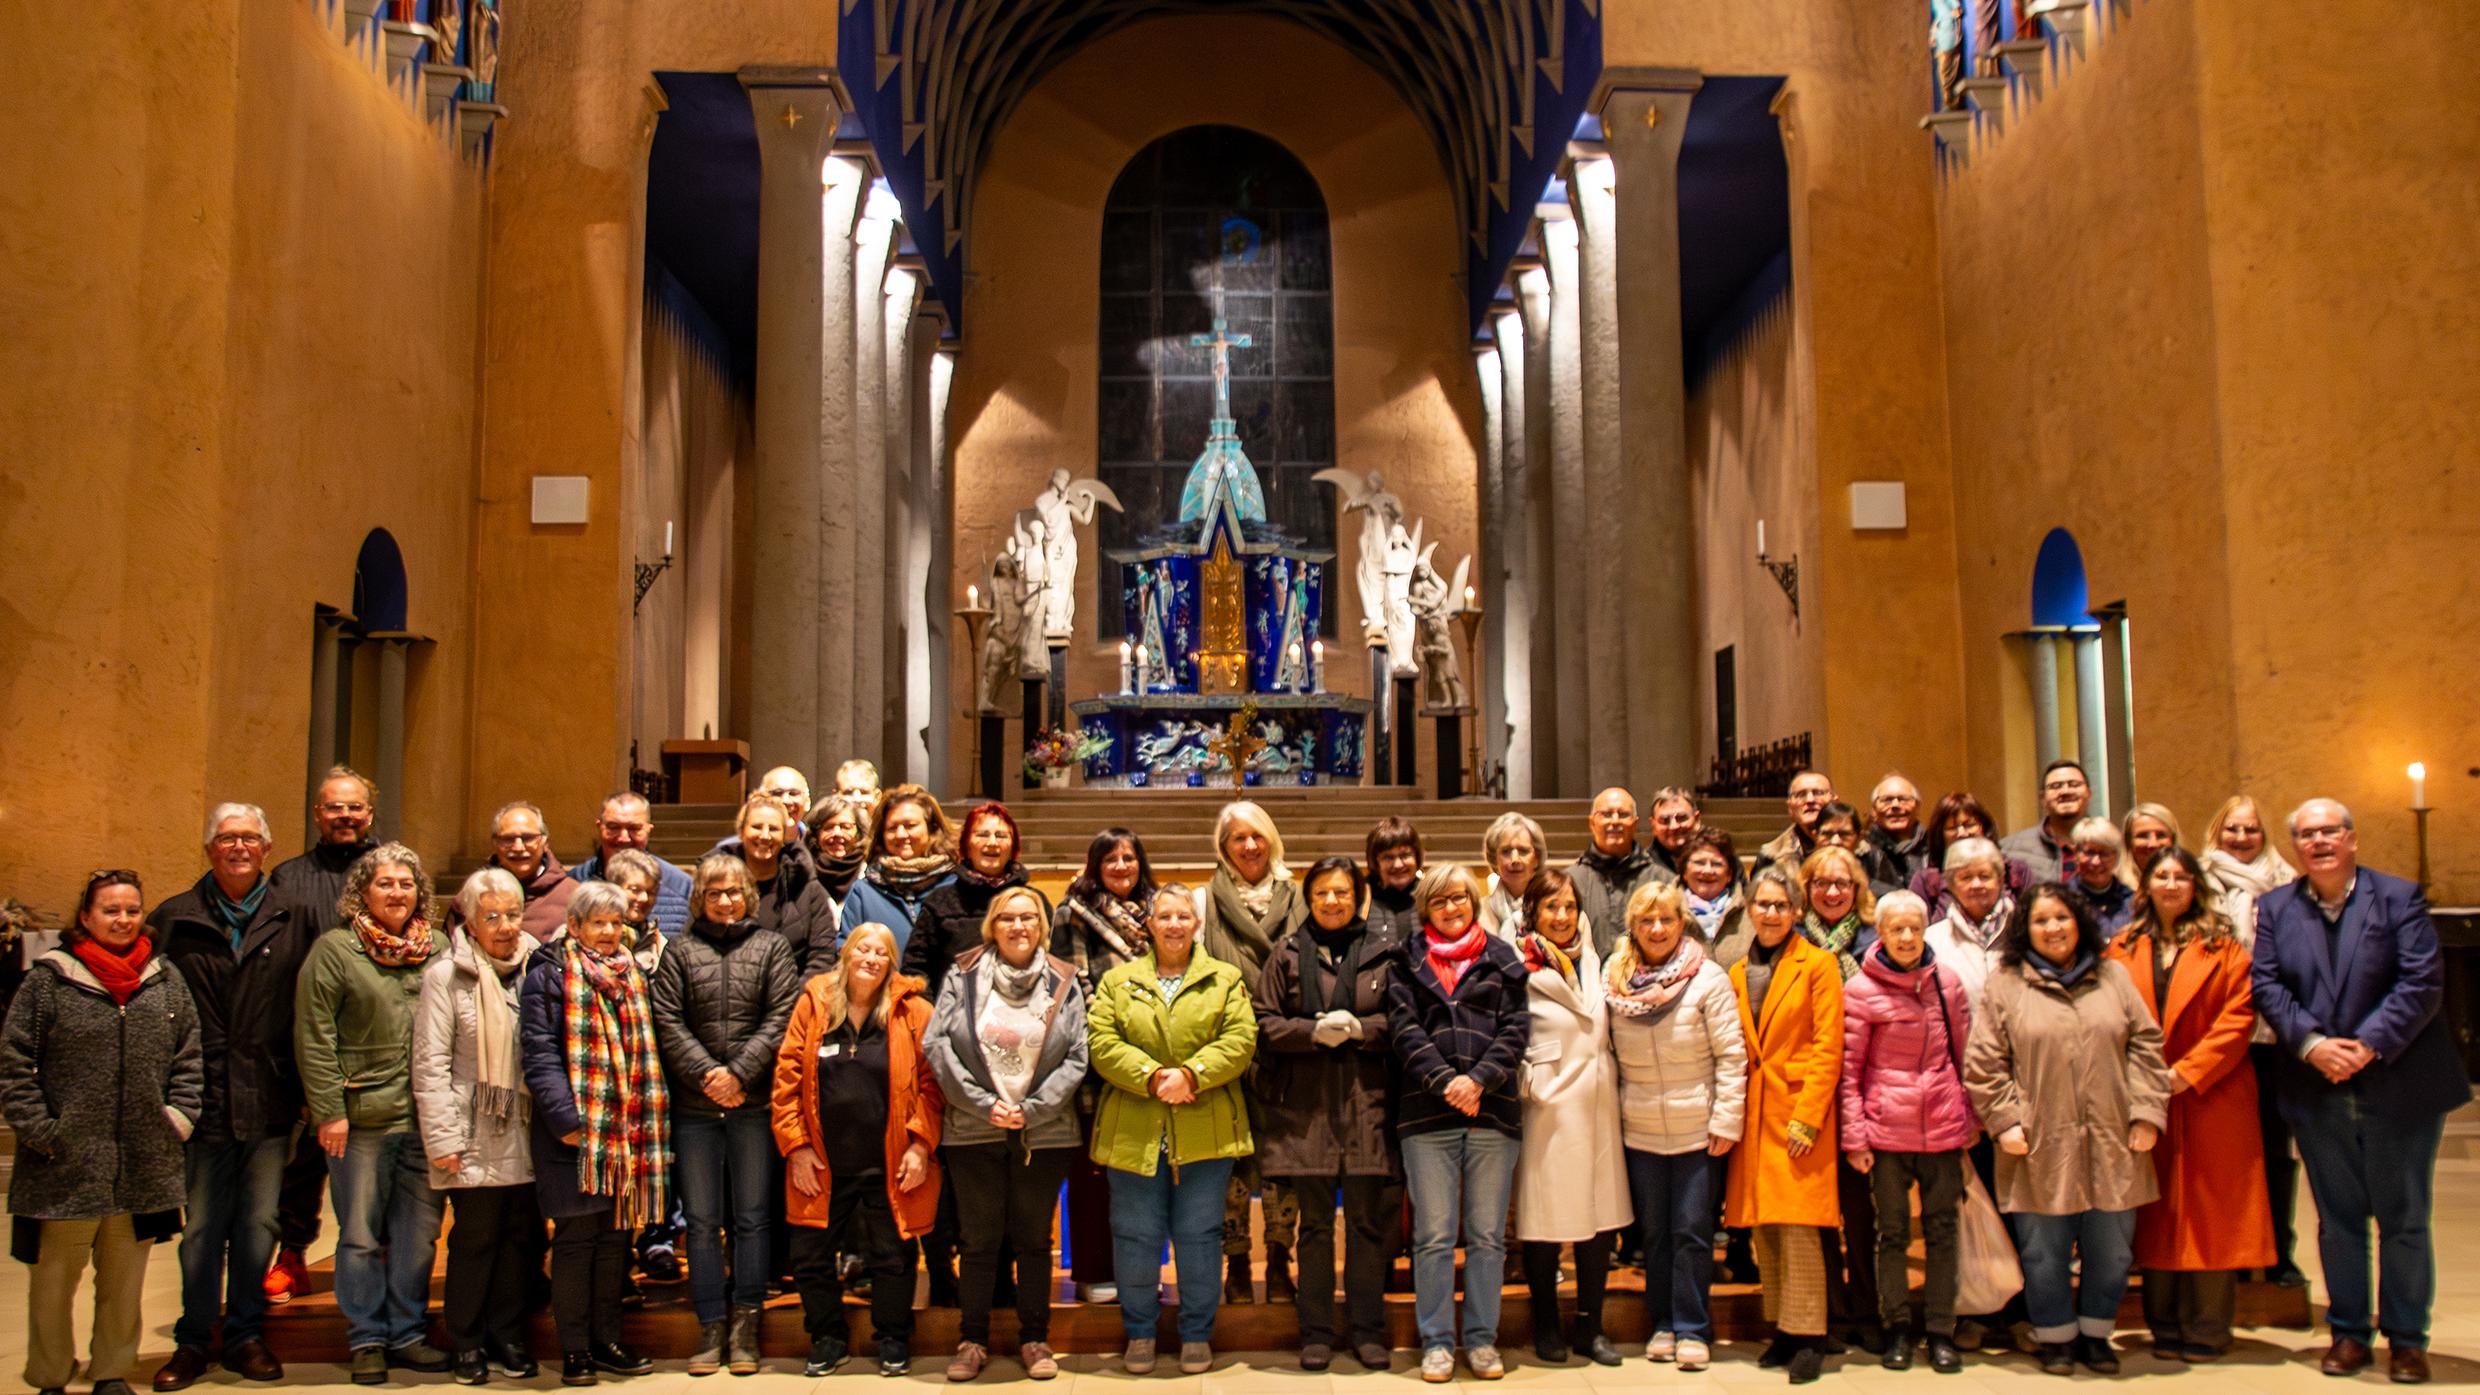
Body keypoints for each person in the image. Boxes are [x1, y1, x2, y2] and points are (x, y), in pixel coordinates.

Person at [2250, 799, 2469, 1384]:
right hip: (2315, 1084)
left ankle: (2406, 1339)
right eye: (2307, 834)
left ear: (2351, 839)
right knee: (2337, 1218)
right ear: (2295, 846)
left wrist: (2366, 1045)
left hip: (2399, 1082)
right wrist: (2314, 1044)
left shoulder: (2397, 897)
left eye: (2330, 831)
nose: (2319, 841)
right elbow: (2267, 985)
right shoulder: (2275, 907)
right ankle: (2348, 1333)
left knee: (2403, 1218)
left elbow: (2421, 981)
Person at [4, 870, 203, 1395]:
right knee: (52, 1286)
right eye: (111, 910)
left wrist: (178, 1117)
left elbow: (189, 1055)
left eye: (132, 910)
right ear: (86, 917)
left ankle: (111, 1371)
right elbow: (14, 1059)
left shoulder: (164, 979)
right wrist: (41, 1129)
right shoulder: (49, 980)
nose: (123, 920)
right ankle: (49, 1375)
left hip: (141, 1163)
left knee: (123, 1285)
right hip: (62, 1166)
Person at [1963, 884, 2170, 1376]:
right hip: (2039, 1139)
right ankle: (2055, 1334)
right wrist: (2005, 1121)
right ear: (2024, 931)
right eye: (2040, 920)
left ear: (2079, 922)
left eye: (2061, 918)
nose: (2052, 928)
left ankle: (2097, 1333)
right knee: (2043, 1250)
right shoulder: (2005, 984)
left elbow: (2146, 1046)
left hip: (2114, 1137)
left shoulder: (2114, 977)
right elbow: (1984, 1063)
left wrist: (2146, 1113)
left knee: (2112, 1249)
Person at [148, 804, 310, 1389]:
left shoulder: (295, 917)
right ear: (209, 849)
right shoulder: (174, 918)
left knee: (258, 1224)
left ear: (266, 848)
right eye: (225, 838)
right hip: (200, 1097)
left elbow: (310, 1011)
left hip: (269, 1094)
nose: (238, 847)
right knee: (201, 1228)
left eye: (248, 837)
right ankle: (193, 1339)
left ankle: (244, 1334)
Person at [2101, 848, 2271, 1363]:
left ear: (2196, 885)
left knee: (2209, 1211)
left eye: (2181, 876)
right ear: (2146, 886)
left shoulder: (2225, 949)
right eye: (2161, 876)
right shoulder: (2122, 946)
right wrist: (2147, 1079)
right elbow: (2109, 1016)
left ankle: (2208, 1326)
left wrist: (2185, 1074)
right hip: (2143, 1096)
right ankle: (2165, 1324)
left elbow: (2238, 1020)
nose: (2171, 884)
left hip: (2211, 1095)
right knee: (2156, 1209)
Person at [293, 843, 452, 1383]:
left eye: (406, 884)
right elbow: (315, 1036)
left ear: (419, 893)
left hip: (425, 1118)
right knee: (359, 1232)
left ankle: (406, 1331)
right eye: (384, 883)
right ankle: (366, 1337)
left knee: (419, 1232)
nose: (396, 892)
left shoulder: (439, 947)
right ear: (362, 891)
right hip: (360, 1119)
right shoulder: (335, 951)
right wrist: (329, 1111)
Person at [1088, 883, 1260, 1377]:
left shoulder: (1225, 979)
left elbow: (1240, 1038)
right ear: (1149, 924)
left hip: (1205, 1126)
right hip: (1134, 1130)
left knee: (1200, 1236)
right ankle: (1140, 1332)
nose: (1174, 925)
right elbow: (1101, 1042)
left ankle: (1196, 1334)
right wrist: (1151, 1077)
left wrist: (1190, 1075)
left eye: (1183, 916)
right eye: (1164, 916)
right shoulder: (1118, 981)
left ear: (1196, 923)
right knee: (1136, 1236)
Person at [923, 886, 1090, 1382]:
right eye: (1008, 918)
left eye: (1029, 919)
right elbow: (937, 1042)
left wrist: (1032, 1109)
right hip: (974, 1127)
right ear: (992, 925)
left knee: (1034, 1240)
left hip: (1046, 1131)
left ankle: (1035, 1339)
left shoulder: (1064, 977)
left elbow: (1079, 1053)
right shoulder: (963, 972)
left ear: (1042, 927)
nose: (1019, 927)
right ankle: (971, 1339)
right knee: (978, 1241)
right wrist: (984, 1104)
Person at [652, 853, 802, 1375]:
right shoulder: (680, 952)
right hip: (695, 1110)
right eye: (714, 892)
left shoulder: (771, 947)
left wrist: (738, 1074)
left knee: (754, 1219)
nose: (724, 900)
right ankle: (710, 1323)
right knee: (700, 1223)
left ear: (748, 896)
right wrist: (709, 1078)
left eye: (733, 891)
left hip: (754, 1106)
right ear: (699, 898)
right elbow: (666, 1020)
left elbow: (782, 1015)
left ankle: (746, 1323)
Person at [1252, 856, 1403, 1372]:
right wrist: (1309, 1033)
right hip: (1307, 1109)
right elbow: (1264, 1024)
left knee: (1365, 1226)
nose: (1332, 902)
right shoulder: (1288, 953)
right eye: (1321, 894)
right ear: (1308, 899)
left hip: (1367, 1106)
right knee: (1314, 1227)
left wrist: (1365, 1030)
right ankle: (1315, 1331)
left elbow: (1405, 1020)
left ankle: (1367, 1331)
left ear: (1358, 896)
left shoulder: (1386, 952)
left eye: (1342, 892)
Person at [772, 924, 943, 1379]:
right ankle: (827, 1337)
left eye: (882, 953)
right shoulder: (813, 1005)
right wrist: (797, 1148)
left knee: (893, 1255)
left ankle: (892, 1337)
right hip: (822, 1161)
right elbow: (786, 1080)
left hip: (890, 1159)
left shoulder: (914, 1012)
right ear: (845, 955)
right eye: (862, 949)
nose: (871, 958)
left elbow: (932, 1087)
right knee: (809, 1255)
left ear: (892, 963)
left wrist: (920, 1145)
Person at [520, 882, 667, 1387]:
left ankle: (608, 1341)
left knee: (614, 1242)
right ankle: (576, 1349)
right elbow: (539, 1056)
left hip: (624, 1132)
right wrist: (569, 1122)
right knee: (577, 1242)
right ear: (576, 926)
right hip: (574, 1137)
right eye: (597, 923)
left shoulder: (635, 974)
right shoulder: (549, 974)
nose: (607, 932)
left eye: (614, 922)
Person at [1389, 863, 1530, 1382]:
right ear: (1427, 907)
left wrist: (1479, 1082)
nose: (1453, 908)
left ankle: (1481, 1340)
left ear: (1474, 903)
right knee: (1432, 1235)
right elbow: (1403, 1029)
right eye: (1441, 900)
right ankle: (1437, 1342)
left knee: (1488, 1235)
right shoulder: (1406, 959)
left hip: (1491, 1112)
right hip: (1427, 1114)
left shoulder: (1501, 957)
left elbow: (1517, 1029)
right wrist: (1447, 1082)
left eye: (1461, 899)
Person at [1606, 876, 1745, 1374]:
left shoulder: (1707, 979)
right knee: (1654, 1236)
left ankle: (1692, 1327)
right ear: (1633, 927)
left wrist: (1727, 1119)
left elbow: (1732, 1056)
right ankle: (1661, 1322)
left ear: (1682, 922)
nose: (1657, 928)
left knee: (1692, 1231)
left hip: (1696, 1130)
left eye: (1666, 918)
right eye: (1647, 920)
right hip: (1639, 1129)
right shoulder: (1615, 979)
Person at [412, 868, 543, 1385]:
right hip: (471, 1130)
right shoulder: (447, 974)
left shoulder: (541, 964)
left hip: (529, 1127)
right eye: (492, 916)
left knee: (520, 1237)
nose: (506, 925)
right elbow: (430, 1064)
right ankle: (466, 1339)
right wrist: (443, 1138)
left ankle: (507, 1335)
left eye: (513, 914)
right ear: (469, 919)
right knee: (476, 1238)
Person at [1838, 890, 1972, 1374]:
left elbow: (1964, 1055)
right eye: (1897, 929)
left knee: (1943, 1233)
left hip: (1942, 1128)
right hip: (1885, 1133)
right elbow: (1849, 1072)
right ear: (1881, 931)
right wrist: (1855, 1138)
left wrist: (1969, 1120)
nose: (1908, 938)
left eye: (1915, 928)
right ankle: (1897, 1330)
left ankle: (1940, 1332)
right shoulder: (1861, 990)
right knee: (1891, 1235)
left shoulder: (1947, 983)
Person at [262, 765, 383, 1306]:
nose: (345, 816)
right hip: (307, 1038)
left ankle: (378, 1253)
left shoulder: (391, 869)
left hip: (377, 1040)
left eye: (354, 806)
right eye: (334, 807)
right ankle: (293, 1252)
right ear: (318, 815)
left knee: (379, 1158)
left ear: (370, 813)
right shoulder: (288, 878)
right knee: (304, 1157)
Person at [1725, 865, 1844, 1385]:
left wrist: (1808, 1118)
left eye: (1781, 905)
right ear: (1748, 910)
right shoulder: (1736, 969)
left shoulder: (1818, 964)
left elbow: (1828, 1046)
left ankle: (1811, 1336)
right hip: (1755, 1116)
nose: (1770, 914)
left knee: (1799, 1229)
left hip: (1797, 1114)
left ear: (1797, 911)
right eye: (1762, 905)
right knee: (1766, 1230)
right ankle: (1783, 1330)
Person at [1508, 868, 1629, 1367]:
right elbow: (1504, 1029)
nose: (1561, 917)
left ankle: (1591, 1325)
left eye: (1568, 906)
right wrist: (1529, 1080)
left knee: (1599, 1220)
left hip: (1598, 1102)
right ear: (1532, 912)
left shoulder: (1599, 958)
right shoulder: (1516, 961)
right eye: (1550, 907)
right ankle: (1546, 1324)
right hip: (1549, 1105)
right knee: (1546, 1219)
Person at [1193, 799, 1305, 1304]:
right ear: (1222, 847)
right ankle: (1236, 1264)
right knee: (1229, 1164)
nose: (1250, 845)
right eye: (1238, 837)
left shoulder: (1299, 897)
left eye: (1258, 835)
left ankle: (1281, 1260)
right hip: (1226, 1051)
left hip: (1286, 1051)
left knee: (1286, 1160)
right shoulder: (1203, 903)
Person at [2197, 793, 2306, 1288]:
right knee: (2227, 1151)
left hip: (2272, 1035)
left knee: (2275, 1148)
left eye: (2251, 829)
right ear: (2217, 833)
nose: (2241, 839)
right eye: (2233, 829)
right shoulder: (2199, 883)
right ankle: (2236, 1250)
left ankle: (2280, 1253)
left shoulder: (2289, 886)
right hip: (2218, 1034)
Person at [1049, 828, 1155, 1303]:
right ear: (1094, 865)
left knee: (1143, 1176)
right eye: (1109, 859)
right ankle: (1093, 1270)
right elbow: (1073, 986)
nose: (1120, 867)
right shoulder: (1073, 911)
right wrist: (1118, 1038)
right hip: (1098, 1061)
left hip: (1151, 1063)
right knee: (1094, 1176)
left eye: (1129, 858)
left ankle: (1142, 1270)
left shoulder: (1156, 911)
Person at [908, 802, 1050, 1004]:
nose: (992, 842)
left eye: (1001, 836)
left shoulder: (1034, 902)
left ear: (1013, 847)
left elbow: (1052, 961)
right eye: (982, 834)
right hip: (954, 1018)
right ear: (967, 844)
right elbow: (916, 968)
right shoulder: (939, 903)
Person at [841, 784, 957, 957]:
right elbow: (846, 951)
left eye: (910, 825)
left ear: (931, 828)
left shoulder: (956, 886)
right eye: (892, 828)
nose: (901, 834)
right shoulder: (864, 893)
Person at [733, 794, 840, 976]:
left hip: (794, 999)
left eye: (774, 829)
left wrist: (792, 1001)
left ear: (784, 835)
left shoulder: (809, 889)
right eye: (757, 827)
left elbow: (822, 957)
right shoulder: (718, 884)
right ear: (741, 832)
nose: (765, 836)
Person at [569, 792, 692, 939]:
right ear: (599, 827)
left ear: (648, 830)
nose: (624, 838)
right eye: (613, 827)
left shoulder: (681, 887)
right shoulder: (573, 884)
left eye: (634, 828)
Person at [1570, 787, 1664, 956]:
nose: (1615, 821)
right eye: (1606, 814)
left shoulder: (1662, 879)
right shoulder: (1570, 880)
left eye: (1623, 814)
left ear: (1635, 823)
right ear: (1592, 823)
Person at [1921, 838, 2015, 1004]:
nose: (1976, 884)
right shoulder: (1932, 940)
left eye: (1985, 876)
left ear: (2000, 880)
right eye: (1966, 878)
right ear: (1950, 884)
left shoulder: (2023, 929)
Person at [1907, 792, 2030, 915]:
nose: (1962, 833)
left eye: (1969, 825)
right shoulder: (1925, 881)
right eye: (1952, 828)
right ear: (1940, 835)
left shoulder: (2016, 871)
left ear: (1984, 828)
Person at [476, 801, 578, 941]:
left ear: (544, 842)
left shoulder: (573, 897)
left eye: (528, 838)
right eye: (508, 839)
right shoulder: (473, 895)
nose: (518, 847)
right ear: (495, 843)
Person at [2000, 761, 2090, 883]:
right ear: (2043, 799)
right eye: (2056, 786)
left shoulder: (2112, 846)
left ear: (2088, 793)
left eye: (2074, 784)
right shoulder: (2009, 850)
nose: (2065, 791)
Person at [1679, 830, 1752, 965]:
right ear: (1684, 871)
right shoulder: (1664, 910)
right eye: (1699, 863)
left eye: (1717, 864)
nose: (1707, 871)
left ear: (1729, 875)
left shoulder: (1752, 913)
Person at [1476, 811, 1546, 937]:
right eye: (1506, 851)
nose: (1515, 859)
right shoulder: (1476, 912)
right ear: (1494, 858)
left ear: (1537, 858)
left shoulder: (1557, 911)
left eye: (1523, 851)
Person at [1759, 770, 1836, 877]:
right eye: (1801, 794)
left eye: (1818, 793)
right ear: (1790, 808)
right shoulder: (1770, 855)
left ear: (1834, 801)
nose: (1810, 800)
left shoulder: (1860, 850)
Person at [2065, 818, 2135, 931]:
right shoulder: (2062, 898)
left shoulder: (2132, 900)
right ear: (2075, 855)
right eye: (2089, 853)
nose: (2096, 862)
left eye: (2105, 854)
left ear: (2116, 857)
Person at [1364, 815, 1425, 943]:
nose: (1398, 865)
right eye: (1388, 857)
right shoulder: (1360, 899)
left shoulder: (1430, 896)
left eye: (1405, 855)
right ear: (1375, 862)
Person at [806, 794, 874, 905]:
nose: (837, 833)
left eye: (845, 827)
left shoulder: (872, 873)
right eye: (828, 827)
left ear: (859, 833)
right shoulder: (804, 872)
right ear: (816, 834)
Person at [1867, 775, 1931, 882]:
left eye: (1904, 799)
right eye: (1887, 800)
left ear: (1918, 807)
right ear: (1874, 810)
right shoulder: (1864, 851)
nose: (1895, 805)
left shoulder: (1934, 847)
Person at [1646, 787, 1704, 882]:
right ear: (1653, 826)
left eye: (1681, 818)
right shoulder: (1643, 868)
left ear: (1697, 820)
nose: (1673, 826)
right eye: (1665, 820)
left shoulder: (1717, 861)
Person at [2119, 803, 2183, 881]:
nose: (2153, 844)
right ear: (2128, 842)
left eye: (2161, 835)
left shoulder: (2192, 888)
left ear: (2173, 840)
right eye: (2143, 836)